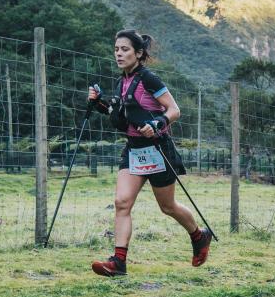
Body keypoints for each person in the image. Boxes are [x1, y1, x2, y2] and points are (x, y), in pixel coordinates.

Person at [86, 29, 212, 277]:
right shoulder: (122, 81)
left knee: (167, 207)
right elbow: (123, 114)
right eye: (116, 49)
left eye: (125, 49)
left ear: (139, 53)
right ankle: (118, 263)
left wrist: (157, 124)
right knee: (122, 202)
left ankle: (199, 236)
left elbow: (174, 110)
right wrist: (99, 102)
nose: (119, 54)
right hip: (133, 149)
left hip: (157, 149)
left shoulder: (149, 79)